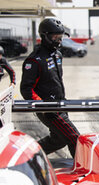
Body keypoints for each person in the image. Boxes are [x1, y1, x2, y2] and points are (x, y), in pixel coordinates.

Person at [20, 18, 80, 158]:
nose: (59, 41)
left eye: (60, 37)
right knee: (74, 137)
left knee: (58, 140)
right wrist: (43, 106)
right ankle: (82, 171)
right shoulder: (34, 60)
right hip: (48, 109)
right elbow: (26, 89)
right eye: (55, 37)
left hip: (61, 103)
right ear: (44, 36)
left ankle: (26, 156)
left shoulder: (58, 55)